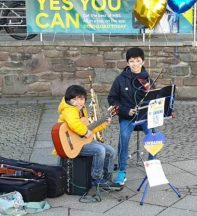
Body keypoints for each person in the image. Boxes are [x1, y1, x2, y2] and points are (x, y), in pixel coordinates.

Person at [57, 85, 121, 190]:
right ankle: (96, 179)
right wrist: (85, 132)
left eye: (81, 99)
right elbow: (74, 124)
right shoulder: (68, 110)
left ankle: (107, 179)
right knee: (99, 150)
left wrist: (104, 124)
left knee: (111, 151)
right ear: (69, 99)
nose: (79, 102)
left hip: (82, 141)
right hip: (71, 145)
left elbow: (88, 129)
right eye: (76, 99)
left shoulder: (82, 109)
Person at [108, 47, 154, 186]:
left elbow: (155, 98)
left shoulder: (146, 79)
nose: (135, 64)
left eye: (138, 61)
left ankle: (152, 168)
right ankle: (122, 171)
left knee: (153, 138)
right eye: (132, 61)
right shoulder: (120, 80)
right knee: (124, 138)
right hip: (127, 117)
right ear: (127, 62)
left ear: (143, 61)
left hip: (145, 117)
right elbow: (112, 99)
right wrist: (125, 110)